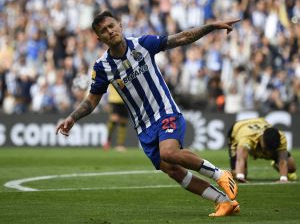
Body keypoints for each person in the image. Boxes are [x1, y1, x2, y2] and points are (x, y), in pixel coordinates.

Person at [56, 11, 240, 217]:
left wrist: (212, 26)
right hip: (143, 127)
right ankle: (223, 202)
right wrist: (72, 117)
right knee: (173, 170)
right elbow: (91, 101)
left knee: (169, 152)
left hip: (165, 111)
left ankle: (220, 174)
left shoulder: (143, 44)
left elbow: (183, 37)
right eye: (104, 31)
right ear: (100, 39)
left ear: (120, 25)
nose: (110, 31)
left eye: (111, 26)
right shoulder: (102, 67)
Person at [227, 117, 297, 183]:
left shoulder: (281, 137)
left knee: (291, 168)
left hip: (259, 122)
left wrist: (283, 178)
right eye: (266, 148)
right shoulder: (246, 139)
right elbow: (240, 159)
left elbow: (282, 160)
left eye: (271, 149)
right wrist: (240, 176)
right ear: (262, 138)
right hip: (238, 128)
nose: (268, 152)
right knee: (239, 174)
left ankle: (275, 163)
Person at [103, 84, 129, 152]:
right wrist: (105, 101)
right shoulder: (112, 73)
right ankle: (107, 139)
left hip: (126, 100)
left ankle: (120, 145)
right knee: (114, 119)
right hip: (114, 100)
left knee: (123, 122)